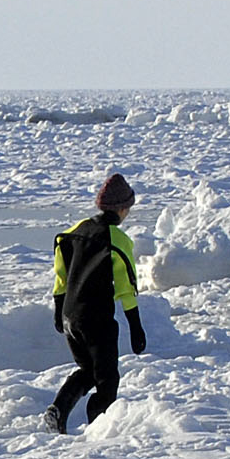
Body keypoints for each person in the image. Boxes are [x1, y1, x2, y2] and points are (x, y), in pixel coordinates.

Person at [43, 171, 145, 432]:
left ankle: (58, 410)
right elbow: (125, 288)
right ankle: (99, 427)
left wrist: (59, 312)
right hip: (96, 318)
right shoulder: (117, 240)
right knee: (107, 378)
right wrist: (135, 326)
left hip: (70, 315)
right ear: (122, 209)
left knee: (87, 369)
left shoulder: (73, 233)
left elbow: (61, 278)